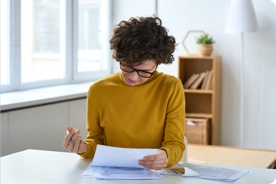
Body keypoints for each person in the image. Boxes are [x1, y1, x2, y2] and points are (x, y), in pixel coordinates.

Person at [63, 16, 185, 170]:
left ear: (157, 63)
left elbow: (176, 143)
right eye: (127, 67)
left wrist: (166, 155)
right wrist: (83, 148)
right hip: (111, 173)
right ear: (119, 57)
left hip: (154, 173)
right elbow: (95, 141)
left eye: (144, 72)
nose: (133, 77)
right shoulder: (98, 90)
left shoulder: (171, 87)